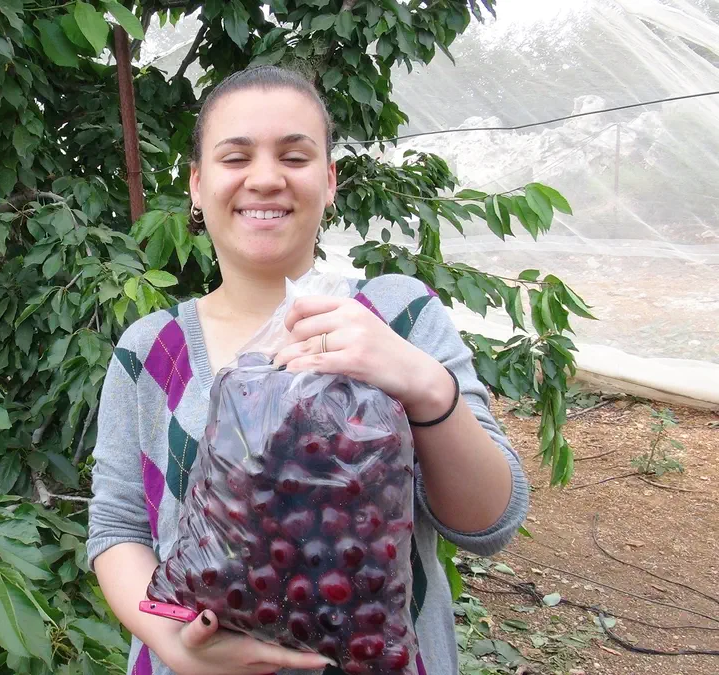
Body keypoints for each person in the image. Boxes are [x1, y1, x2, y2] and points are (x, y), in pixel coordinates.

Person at [86, 66, 529, 675]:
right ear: (197, 184)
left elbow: (488, 524)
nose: (266, 178)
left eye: (294, 157)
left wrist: (425, 386)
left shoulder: (399, 314)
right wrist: (171, 643)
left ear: (329, 180)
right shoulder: (151, 350)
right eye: (235, 157)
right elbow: (117, 526)